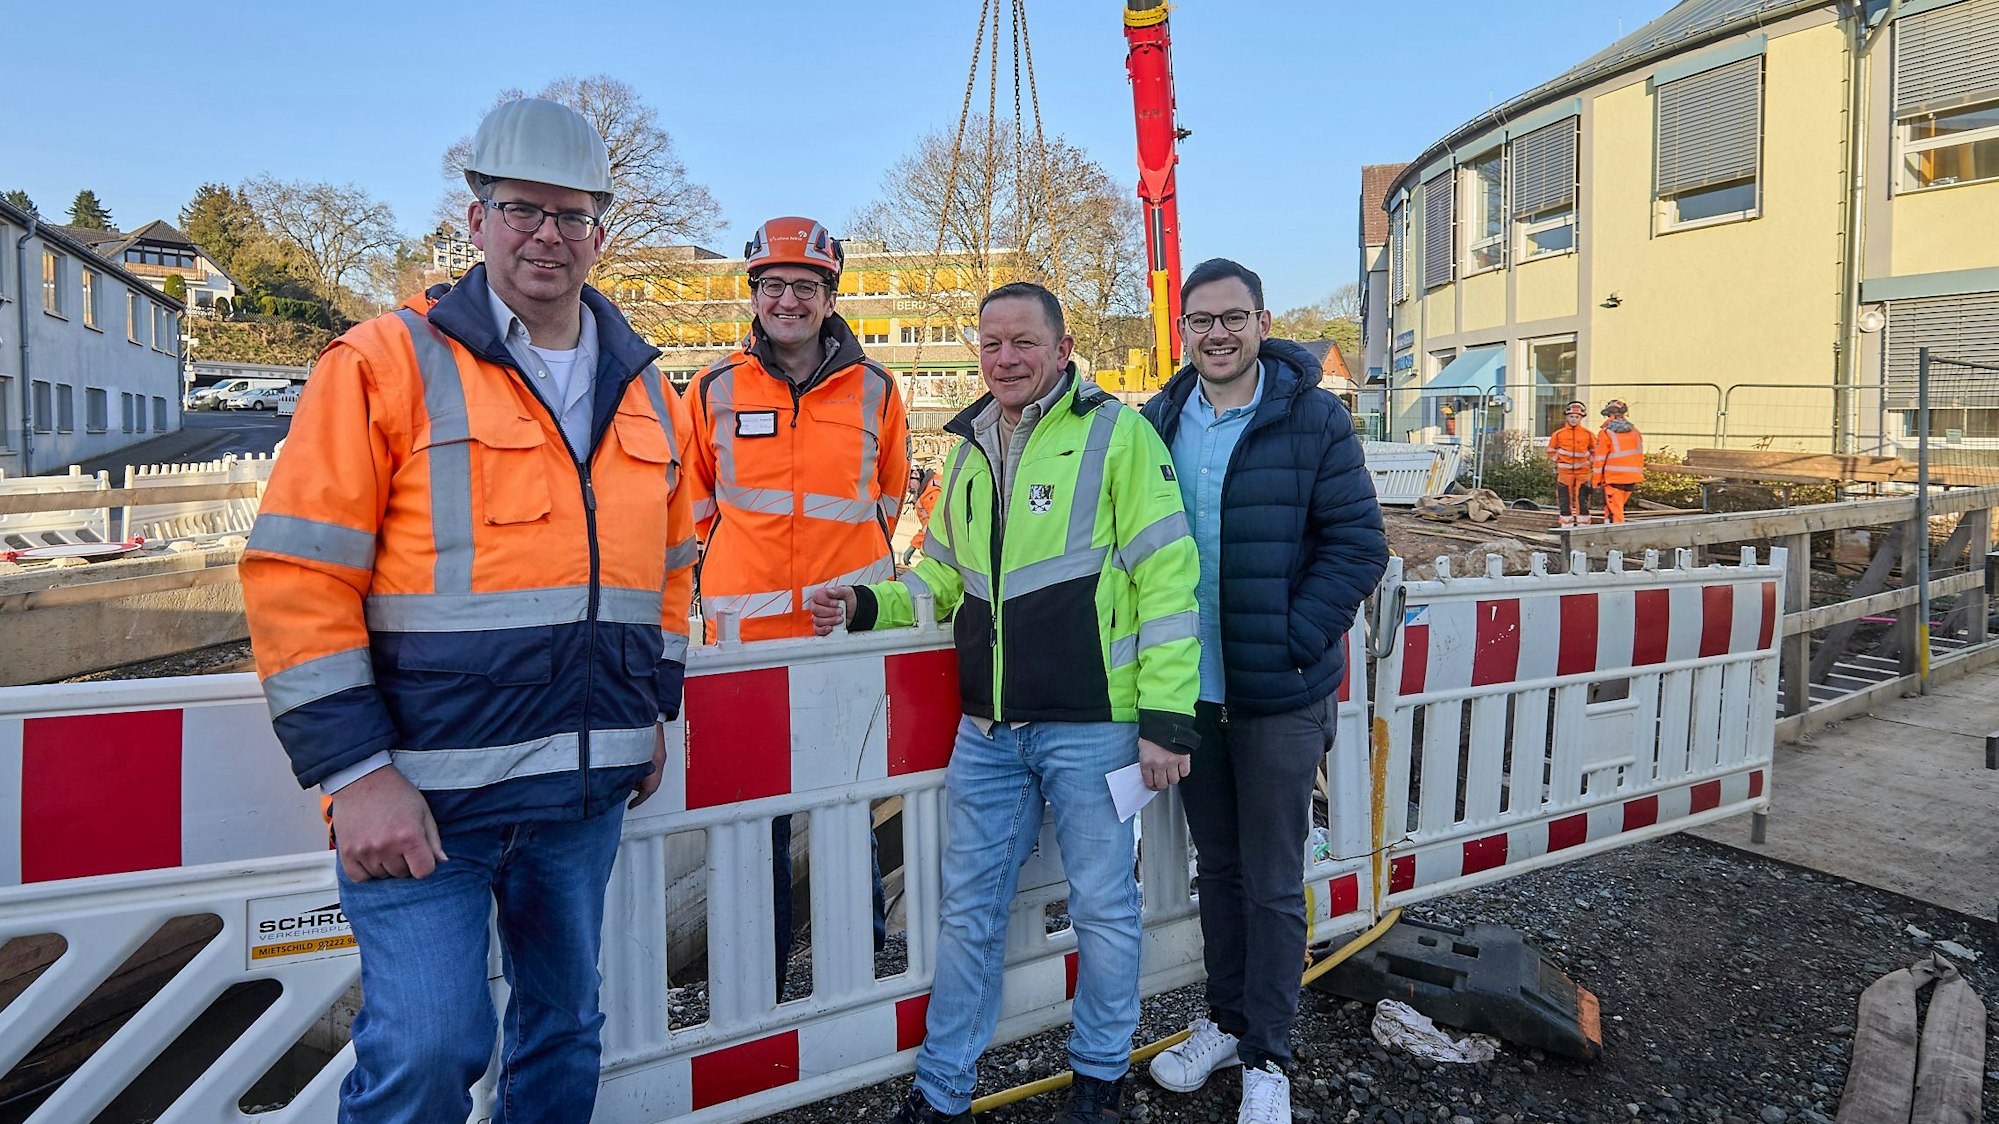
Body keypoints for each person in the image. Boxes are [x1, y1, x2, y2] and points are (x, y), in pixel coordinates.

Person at [240, 97, 696, 1122]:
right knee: (429, 1045)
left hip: (580, 793)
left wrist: (650, 704)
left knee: (563, 1029)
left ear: (601, 232)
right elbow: (296, 575)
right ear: (476, 218)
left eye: (571, 214)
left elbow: (670, 564)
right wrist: (355, 774)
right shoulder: (381, 362)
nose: (547, 234)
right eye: (523, 208)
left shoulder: (648, 391)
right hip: (422, 798)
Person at [807, 282, 1201, 1124]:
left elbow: (1168, 577)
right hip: (988, 730)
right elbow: (945, 574)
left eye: (1024, 342)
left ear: (1063, 349)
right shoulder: (969, 448)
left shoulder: (1115, 434)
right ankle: (942, 1089)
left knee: (1103, 907)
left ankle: (1098, 1079)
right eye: (991, 344)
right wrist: (867, 603)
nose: (1005, 358)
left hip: (1093, 725)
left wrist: (1167, 720)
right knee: (967, 914)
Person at [1137, 260, 1388, 1124]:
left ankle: (1268, 1055)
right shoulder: (1159, 420)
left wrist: (1286, 643)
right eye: (1199, 320)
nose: (1215, 334)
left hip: (1278, 692)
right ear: (1184, 331)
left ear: (1261, 321)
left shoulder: (1311, 417)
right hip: (1191, 696)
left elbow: (1357, 545)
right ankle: (1223, 1020)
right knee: (1221, 870)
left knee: (1276, 880)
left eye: (1231, 318)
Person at [682, 216, 908, 994]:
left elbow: (884, 499)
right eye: (772, 285)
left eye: (804, 286)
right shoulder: (712, 389)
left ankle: (859, 972)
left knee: (850, 801)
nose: (787, 299)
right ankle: (761, 982)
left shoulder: (878, 389)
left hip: (839, 639)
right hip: (743, 645)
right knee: (755, 824)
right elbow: (693, 508)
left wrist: (859, 596)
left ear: (828, 297)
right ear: (753, 295)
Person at [1592, 398, 1645, 524]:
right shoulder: (1635, 432)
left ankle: (1614, 540)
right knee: (1617, 510)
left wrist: (1595, 482)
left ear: (1609, 415)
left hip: (1614, 478)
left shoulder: (1606, 433)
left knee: (1614, 513)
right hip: (1632, 478)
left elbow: (1599, 459)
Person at [1548, 399, 1596, 528]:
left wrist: (1589, 462)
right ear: (1567, 417)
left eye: (1576, 417)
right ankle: (1566, 525)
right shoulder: (1558, 434)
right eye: (1571, 417)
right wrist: (1560, 461)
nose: (1574, 419)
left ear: (1581, 418)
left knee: (1583, 499)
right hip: (1565, 472)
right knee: (1564, 498)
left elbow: (1594, 451)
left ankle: (1583, 525)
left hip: (1583, 471)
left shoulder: (1588, 434)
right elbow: (1551, 450)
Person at [901, 459, 942, 564]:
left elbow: (933, 522)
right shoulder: (928, 488)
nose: (908, 489)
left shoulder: (931, 492)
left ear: (915, 474)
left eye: (908, 484)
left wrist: (913, 545)